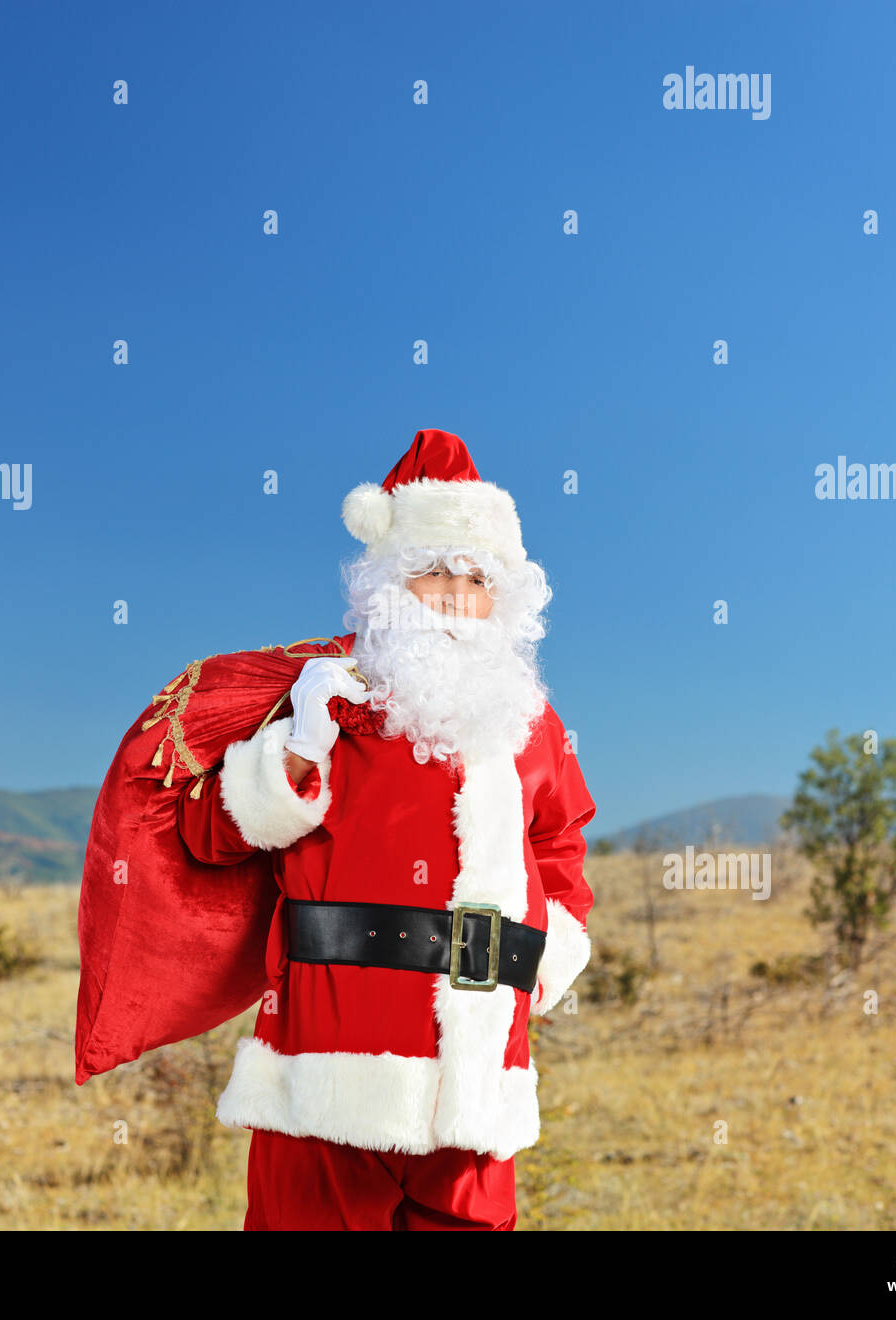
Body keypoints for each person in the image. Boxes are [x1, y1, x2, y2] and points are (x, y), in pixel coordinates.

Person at [176, 428, 597, 1230]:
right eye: (432, 568)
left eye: (476, 577)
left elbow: (559, 842)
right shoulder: (326, 692)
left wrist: (551, 950)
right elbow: (206, 833)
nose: (453, 593)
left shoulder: (530, 719)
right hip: (331, 1071)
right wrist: (295, 752)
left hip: (477, 1078)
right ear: (388, 584)